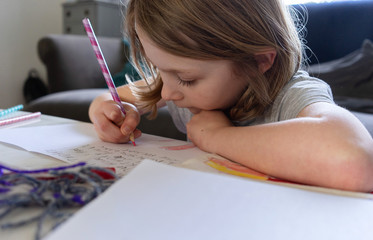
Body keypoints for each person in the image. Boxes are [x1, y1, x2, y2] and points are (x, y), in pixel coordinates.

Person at [89, 0, 373, 192]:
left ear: (259, 61)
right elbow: (113, 100)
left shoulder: (292, 94)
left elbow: (357, 162)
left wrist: (216, 137)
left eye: (187, 79)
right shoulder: (177, 85)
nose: (166, 92)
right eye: (160, 70)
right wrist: (107, 111)